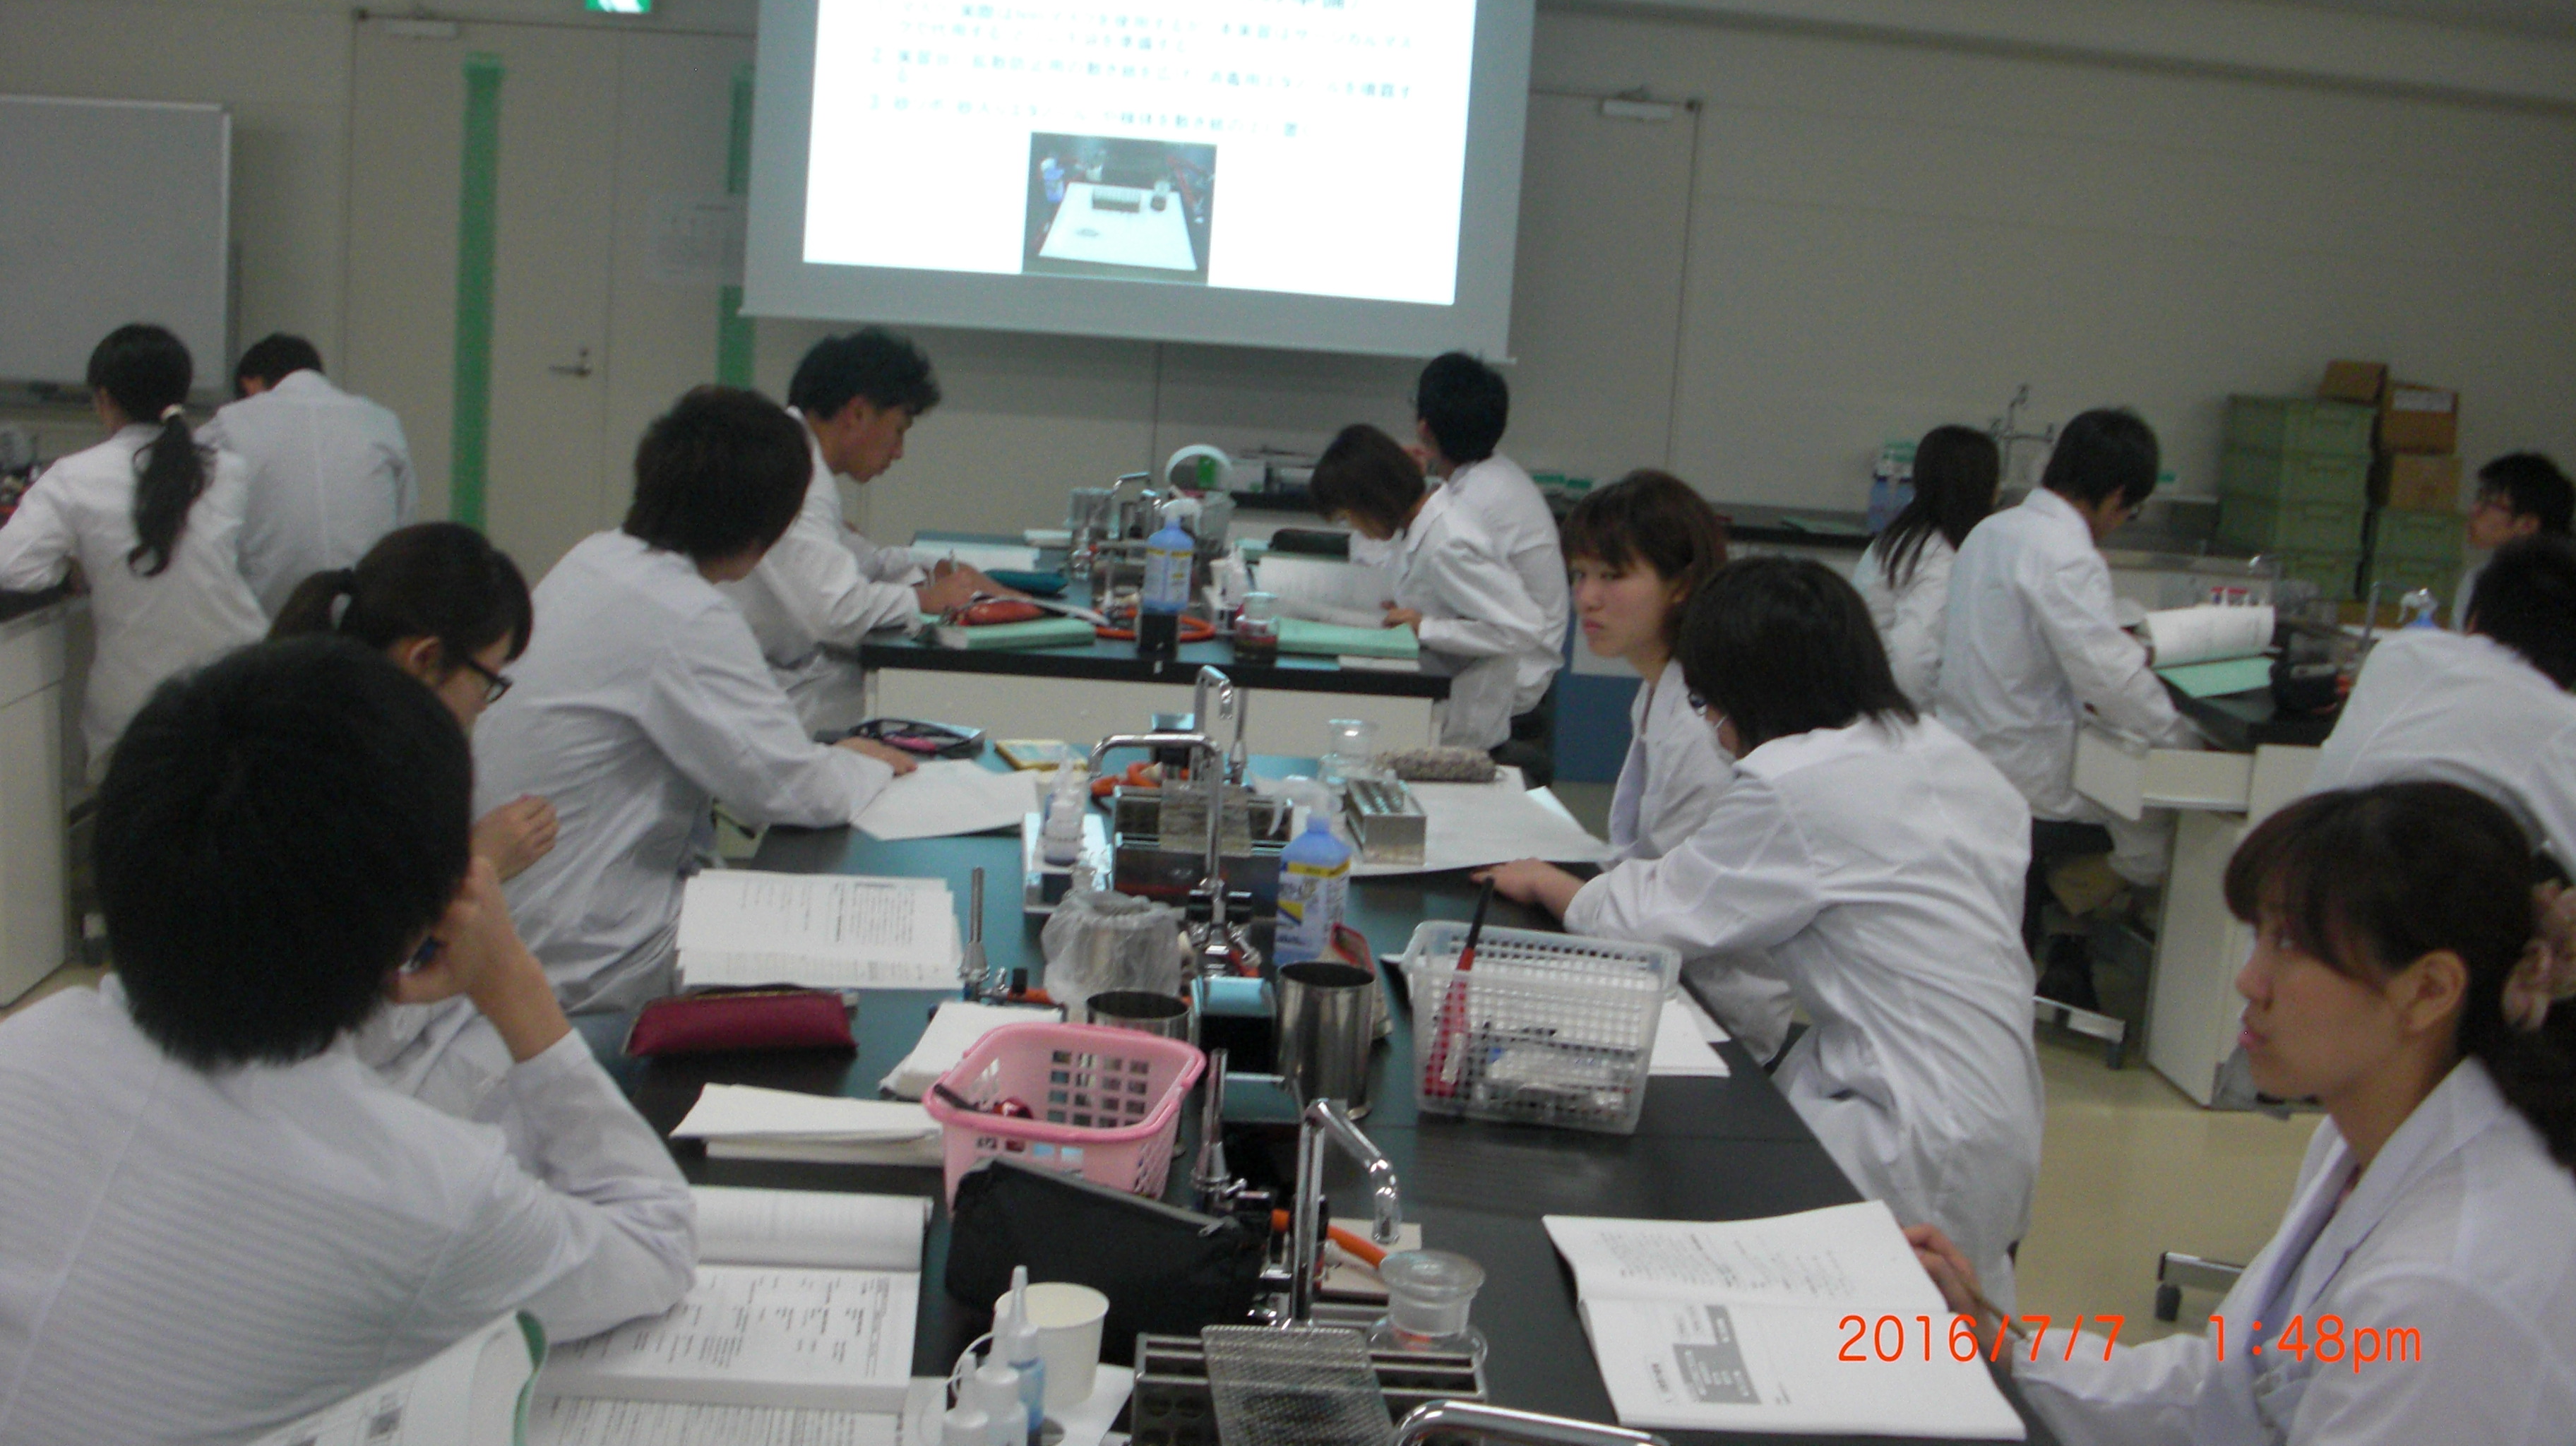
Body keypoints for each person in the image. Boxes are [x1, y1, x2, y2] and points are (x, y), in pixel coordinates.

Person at [0, 637, 696, 1445]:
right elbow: (654, 1241)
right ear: (424, 911)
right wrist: (511, 979)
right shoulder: (421, 1191)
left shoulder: (27, 1046)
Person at [1911, 782, 2576, 1445]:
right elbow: (2232, 1389)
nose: (2249, 980)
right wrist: (2001, 1348)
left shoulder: (2447, 1288)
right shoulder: (2360, 1142)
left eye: (2291, 945)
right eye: (2261, 937)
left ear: (2428, 990)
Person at [1488, 557, 2042, 1307]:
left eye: (1708, 701)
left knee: (1872, 1329)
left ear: (1750, 689)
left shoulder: (1798, 782)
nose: (1713, 728)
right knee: (1956, 1328)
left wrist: (1544, 881)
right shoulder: (1948, 755)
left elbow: (1654, 911)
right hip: (1996, 1113)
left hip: (1910, 1128)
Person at [472, 385, 916, 1020]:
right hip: (594, 948)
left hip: (530, 915)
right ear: (768, 529)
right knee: (860, 968)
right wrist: (868, 766)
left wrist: (828, 759)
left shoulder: (596, 558)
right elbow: (792, 792)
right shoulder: (684, 612)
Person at [1474, 470, 1794, 1058]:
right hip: (1658, 965)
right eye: (1580, 575)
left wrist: (1548, 882)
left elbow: (1672, 907)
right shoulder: (1660, 689)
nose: (1587, 598)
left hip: (1713, 1014)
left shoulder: (1701, 723)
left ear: (1681, 585)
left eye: (1612, 576)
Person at [1937, 407, 2193, 1010]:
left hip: (1969, 755)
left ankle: (2065, 935)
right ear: (2118, 496)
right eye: (2128, 511)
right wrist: (2181, 738)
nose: (2120, 525)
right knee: (2167, 818)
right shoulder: (2065, 553)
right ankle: (2072, 913)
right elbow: (2109, 679)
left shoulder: (1993, 532)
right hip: (2027, 776)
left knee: (2125, 786)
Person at [0, 323, 267, 779]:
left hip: (137, 711)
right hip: (244, 685)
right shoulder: (229, 470)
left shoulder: (74, 476)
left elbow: (11, 567)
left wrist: (73, 567)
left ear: (104, 398)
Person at [720, 328, 1006, 731]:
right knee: (922, 710)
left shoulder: (796, 453)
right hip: (748, 689)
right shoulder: (795, 472)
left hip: (770, 669)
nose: (899, 452)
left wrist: (931, 568)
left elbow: (864, 563)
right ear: (856, 414)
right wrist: (923, 599)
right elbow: (837, 611)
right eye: (899, 430)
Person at [271, 521, 556, 880]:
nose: (484, 705)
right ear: (425, 659)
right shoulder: (346, 779)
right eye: (487, 682)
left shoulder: (291, 715)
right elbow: (363, 913)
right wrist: (480, 865)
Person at [2306, 534, 2576, 871]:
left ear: (2474, 617)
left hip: (2290, 867)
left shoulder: (2398, 651)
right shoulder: (2558, 723)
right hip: (2390, 895)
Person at [1310, 422, 1555, 757]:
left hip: (1464, 729)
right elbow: (1448, 600)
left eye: (1347, 517)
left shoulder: (1448, 542)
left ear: (1372, 500)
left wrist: (1425, 626)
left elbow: (1522, 629)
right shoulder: (1420, 527)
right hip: (1436, 705)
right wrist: (1409, 611)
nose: (1355, 529)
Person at [1413, 352, 1568, 782]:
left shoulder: (1473, 503)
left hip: (1515, 676)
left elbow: (1415, 592)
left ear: (1424, 429)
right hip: (1515, 657)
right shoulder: (1492, 477)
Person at [201, 332, 417, 614]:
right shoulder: (381, 422)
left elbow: (202, 541)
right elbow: (404, 526)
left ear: (249, 383)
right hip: (369, 617)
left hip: (268, 622)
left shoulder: (228, 425)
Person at [1852, 425, 1999, 710]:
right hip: (1890, 709)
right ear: (1983, 490)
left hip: (1864, 697)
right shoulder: (1941, 558)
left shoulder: (1899, 538)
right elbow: (1913, 664)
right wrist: (1922, 729)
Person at [2452, 452, 2572, 628]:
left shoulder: (2556, 591)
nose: (2474, 510)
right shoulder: (2477, 578)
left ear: (2527, 525)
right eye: (2479, 498)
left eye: (2488, 503)